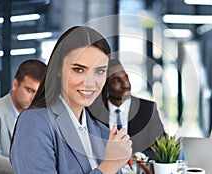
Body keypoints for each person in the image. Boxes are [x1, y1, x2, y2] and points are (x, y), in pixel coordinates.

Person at [10, 26, 132, 174]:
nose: (90, 82)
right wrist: (108, 167)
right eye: (79, 70)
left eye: (99, 71)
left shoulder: (102, 131)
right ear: (58, 69)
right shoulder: (34, 123)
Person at [0, 59, 47, 174]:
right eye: (29, 90)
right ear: (15, 84)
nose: (33, 98)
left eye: (38, 93)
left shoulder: (38, 117)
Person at [88, 58, 165, 160]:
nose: (126, 85)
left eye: (126, 78)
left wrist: (139, 157)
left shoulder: (147, 109)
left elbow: (162, 147)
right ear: (104, 85)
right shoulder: (94, 112)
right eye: (117, 80)